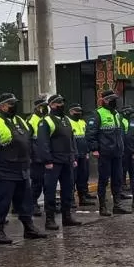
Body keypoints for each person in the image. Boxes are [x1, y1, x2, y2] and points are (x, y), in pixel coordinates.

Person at [0, 93, 48, 244]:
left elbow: (29, 139)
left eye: (14, 103)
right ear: (2, 106)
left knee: (25, 202)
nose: (13, 106)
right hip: (4, 170)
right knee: (2, 203)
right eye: (10, 103)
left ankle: (29, 228)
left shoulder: (19, 120)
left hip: (22, 169)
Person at [36, 94, 82, 230]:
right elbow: (43, 143)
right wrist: (47, 160)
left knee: (68, 189)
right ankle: (49, 219)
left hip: (67, 160)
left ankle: (67, 216)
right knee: (50, 190)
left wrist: (73, 157)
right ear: (51, 105)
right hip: (53, 162)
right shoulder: (46, 121)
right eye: (58, 103)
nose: (61, 105)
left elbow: (71, 139)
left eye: (62, 102)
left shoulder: (66, 120)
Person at [86, 90, 132, 216]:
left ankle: (117, 205)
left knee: (117, 179)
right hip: (105, 153)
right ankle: (103, 207)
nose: (115, 101)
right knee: (103, 180)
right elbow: (91, 133)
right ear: (105, 100)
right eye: (112, 99)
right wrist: (94, 149)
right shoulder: (97, 114)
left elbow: (120, 132)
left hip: (117, 153)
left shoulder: (116, 114)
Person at [68, 104, 94, 206]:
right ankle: (71, 199)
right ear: (70, 112)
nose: (78, 113)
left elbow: (86, 137)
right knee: (72, 177)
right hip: (74, 154)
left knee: (83, 176)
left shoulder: (83, 122)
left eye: (79, 111)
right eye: (76, 111)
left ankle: (82, 197)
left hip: (83, 153)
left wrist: (87, 151)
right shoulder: (68, 122)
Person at [27, 98, 49, 217]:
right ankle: (33, 204)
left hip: (46, 155)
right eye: (42, 106)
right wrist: (31, 156)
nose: (44, 108)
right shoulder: (31, 120)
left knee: (48, 182)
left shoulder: (46, 119)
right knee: (37, 182)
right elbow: (28, 139)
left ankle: (48, 204)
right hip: (36, 157)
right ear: (36, 108)